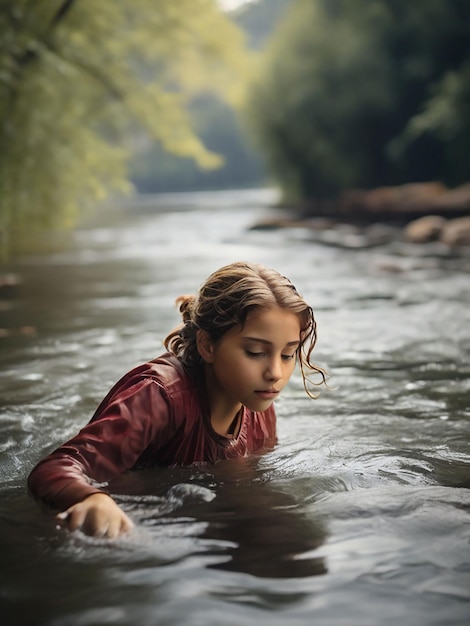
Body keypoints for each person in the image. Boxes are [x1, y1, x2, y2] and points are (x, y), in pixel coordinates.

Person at [28, 261, 327, 539]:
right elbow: (54, 467)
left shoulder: (259, 403)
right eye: (254, 352)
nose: (275, 373)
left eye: (288, 354)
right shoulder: (157, 396)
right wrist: (91, 498)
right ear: (208, 346)